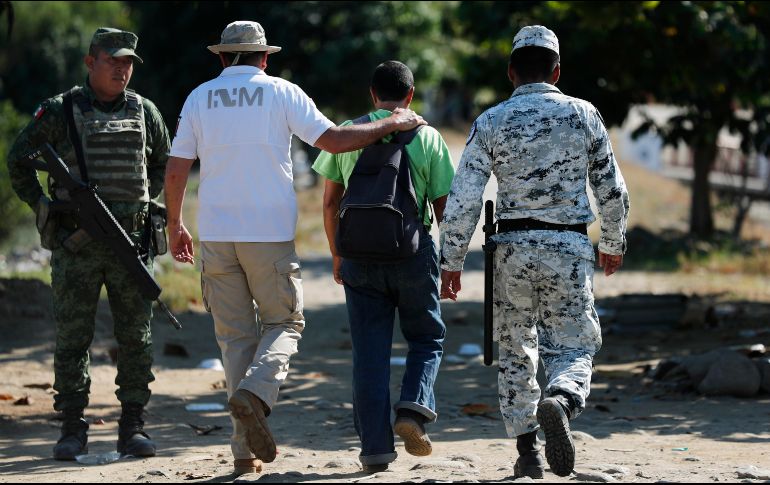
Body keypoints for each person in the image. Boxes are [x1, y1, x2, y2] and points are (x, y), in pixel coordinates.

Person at [164, 21, 427, 477]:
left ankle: (244, 452)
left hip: (216, 234)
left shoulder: (199, 97)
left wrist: (174, 223)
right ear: (264, 57)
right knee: (285, 321)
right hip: (267, 234)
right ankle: (258, 393)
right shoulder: (282, 92)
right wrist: (392, 121)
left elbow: (176, 166)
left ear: (223, 57)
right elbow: (334, 140)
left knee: (235, 338)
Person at [439, 25, 630, 479]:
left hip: (510, 250)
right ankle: (561, 399)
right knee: (575, 342)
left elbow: (463, 196)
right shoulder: (584, 115)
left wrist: (450, 260)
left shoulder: (491, 121)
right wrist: (613, 242)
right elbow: (611, 188)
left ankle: (528, 452)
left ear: (511, 72)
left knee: (515, 349)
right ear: (557, 70)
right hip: (567, 245)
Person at [6, 28, 170, 460]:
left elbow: (162, 165)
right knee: (73, 339)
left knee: (137, 336)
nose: (122, 68)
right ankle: (72, 427)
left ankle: (133, 423)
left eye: (129, 61)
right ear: (90, 62)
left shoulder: (145, 110)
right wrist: (43, 205)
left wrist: (144, 205)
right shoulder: (60, 111)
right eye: (113, 60)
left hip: (130, 245)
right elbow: (18, 159)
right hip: (76, 247)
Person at [312, 60, 455, 473]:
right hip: (412, 254)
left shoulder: (349, 133)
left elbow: (329, 202)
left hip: (358, 257)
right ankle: (413, 408)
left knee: (369, 354)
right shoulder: (426, 137)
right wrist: (449, 264)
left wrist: (338, 254)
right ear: (410, 96)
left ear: (372, 95)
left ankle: (375, 450)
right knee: (427, 338)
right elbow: (444, 206)